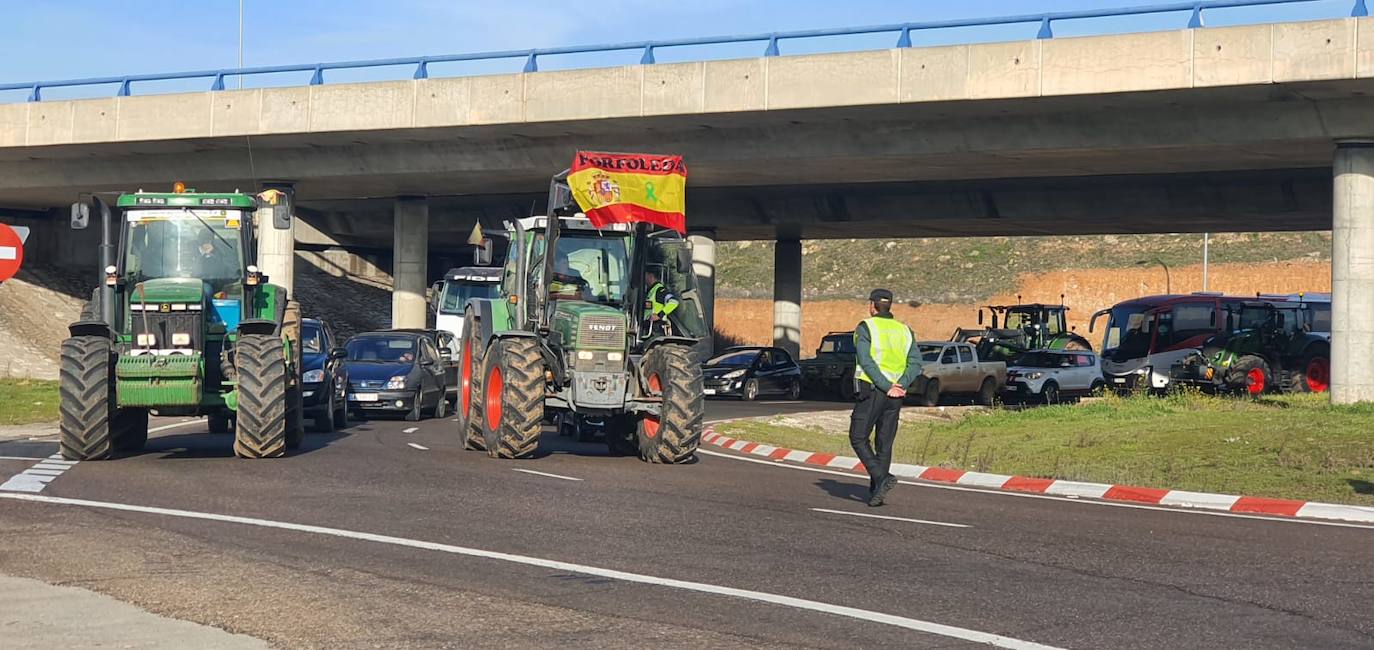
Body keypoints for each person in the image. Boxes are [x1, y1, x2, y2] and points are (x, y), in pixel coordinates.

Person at [849, 288, 923, 507]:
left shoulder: (866, 327)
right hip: (896, 394)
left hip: (873, 390)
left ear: (872, 305)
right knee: (885, 443)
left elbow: (866, 360)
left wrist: (885, 385)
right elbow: (916, 362)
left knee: (858, 437)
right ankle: (876, 492)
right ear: (890, 306)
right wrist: (901, 384)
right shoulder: (905, 330)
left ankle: (882, 478)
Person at [643, 268, 679, 334]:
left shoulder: (659, 290)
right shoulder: (651, 291)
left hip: (656, 328)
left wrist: (660, 314)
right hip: (649, 328)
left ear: (651, 276)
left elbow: (674, 301)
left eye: (645, 275)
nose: (643, 278)